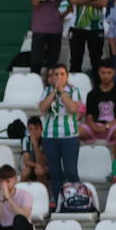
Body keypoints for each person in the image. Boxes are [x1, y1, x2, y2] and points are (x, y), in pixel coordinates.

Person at [39, 63, 84, 201]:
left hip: (69, 136)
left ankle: (77, 199)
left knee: (71, 170)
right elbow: (42, 108)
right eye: (56, 74)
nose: (59, 77)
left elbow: (73, 108)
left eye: (62, 74)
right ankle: (59, 201)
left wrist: (62, 91)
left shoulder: (74, 90)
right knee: (55, 172)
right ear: (51, 77)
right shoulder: (47, 91)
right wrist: (54, 92)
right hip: (49, 136)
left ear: (67, 76)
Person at [27, 0, 69, 78]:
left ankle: (50, 89)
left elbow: (68, 2)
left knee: (52, 62)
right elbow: (35, 3)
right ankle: (34, 86)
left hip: (55, 27)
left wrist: (59, 14)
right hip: (39, 27)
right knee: (36, 61)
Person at [80, 60, 116, 155]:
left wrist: (106, 127)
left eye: (109, 73)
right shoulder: (92, 94)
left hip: (113, 126)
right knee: (74, 132)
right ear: (98, 73)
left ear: (114, 73)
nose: (106, 76)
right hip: (95, 127)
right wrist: (93, 126)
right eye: (103, 73)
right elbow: (89, 117)